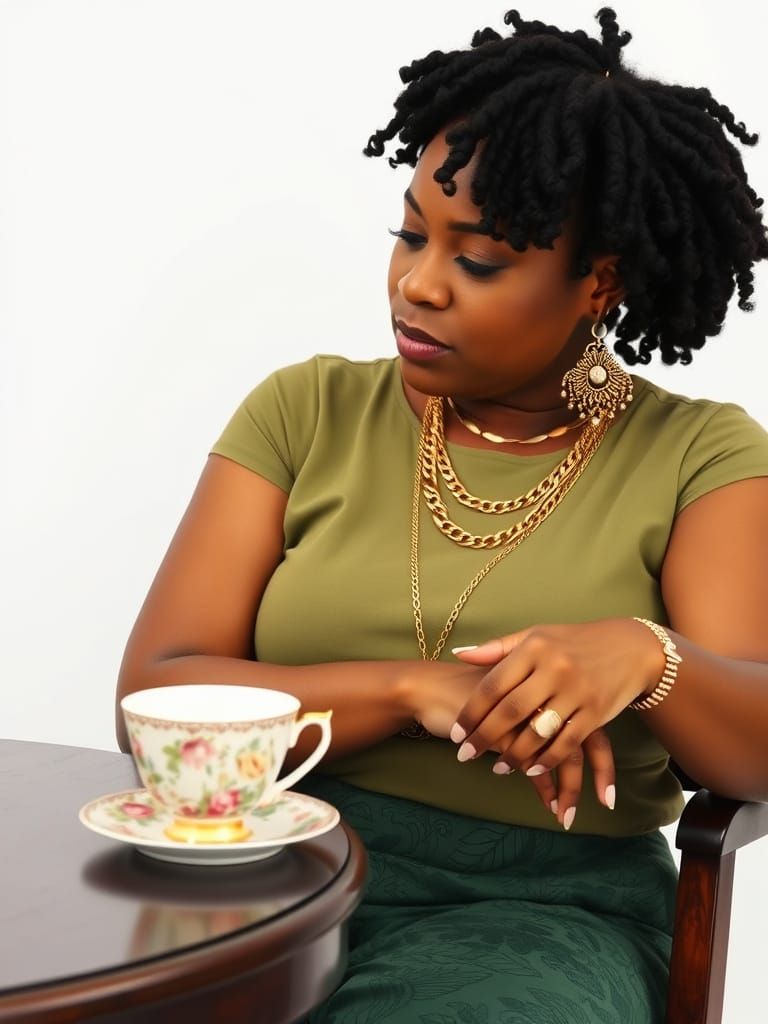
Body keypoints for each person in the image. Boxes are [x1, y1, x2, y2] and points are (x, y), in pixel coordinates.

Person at [115, 7, 768, 1022]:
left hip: (545, 910)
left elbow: (758, 743)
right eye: (412, 233)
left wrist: (646, 656)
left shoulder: (698, 455)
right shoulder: (307, 410)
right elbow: (153, 693)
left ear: (599, 282)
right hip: (265, 872)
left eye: (480, 259)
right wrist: (418, 689)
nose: (417, 285)